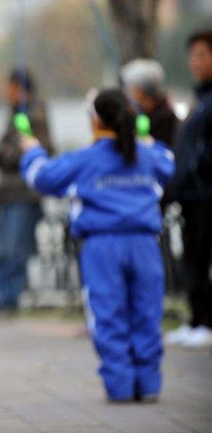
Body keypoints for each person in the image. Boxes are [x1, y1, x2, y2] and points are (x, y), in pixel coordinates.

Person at [20, 88, 174, 403]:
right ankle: (149, 385)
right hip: (145, 244)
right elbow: (169, 164)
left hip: (102, 247)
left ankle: (119, 387)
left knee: (108, 315)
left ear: (95, 120)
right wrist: (147, 140)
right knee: (147, 313)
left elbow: (41, 178)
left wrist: (32, 150)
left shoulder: (84, 159)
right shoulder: (147, 154)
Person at [0, 67, 53, 313]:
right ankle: (4, 297)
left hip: (23, 192)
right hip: (7, 192)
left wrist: (8, 154)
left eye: (9, 86)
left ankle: (10, 298)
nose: (5, 91)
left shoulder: (33, 114)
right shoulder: (14, 113)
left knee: (15, 246)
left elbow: (27, 151)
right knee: (3, 246)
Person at [166, 29, 212, 348]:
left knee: (204, 260)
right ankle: (196, 319)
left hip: (206, 193)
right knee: (192, 259)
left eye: (202, 55)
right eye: (192, 55)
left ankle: (207, 322)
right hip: (191, 197)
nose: (195, 62)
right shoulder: (199, 99)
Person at [121, 58, 180, 147]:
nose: (129, 93)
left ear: (139, 91)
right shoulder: (143, 112)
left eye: (131, 88)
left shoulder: (165, 119)